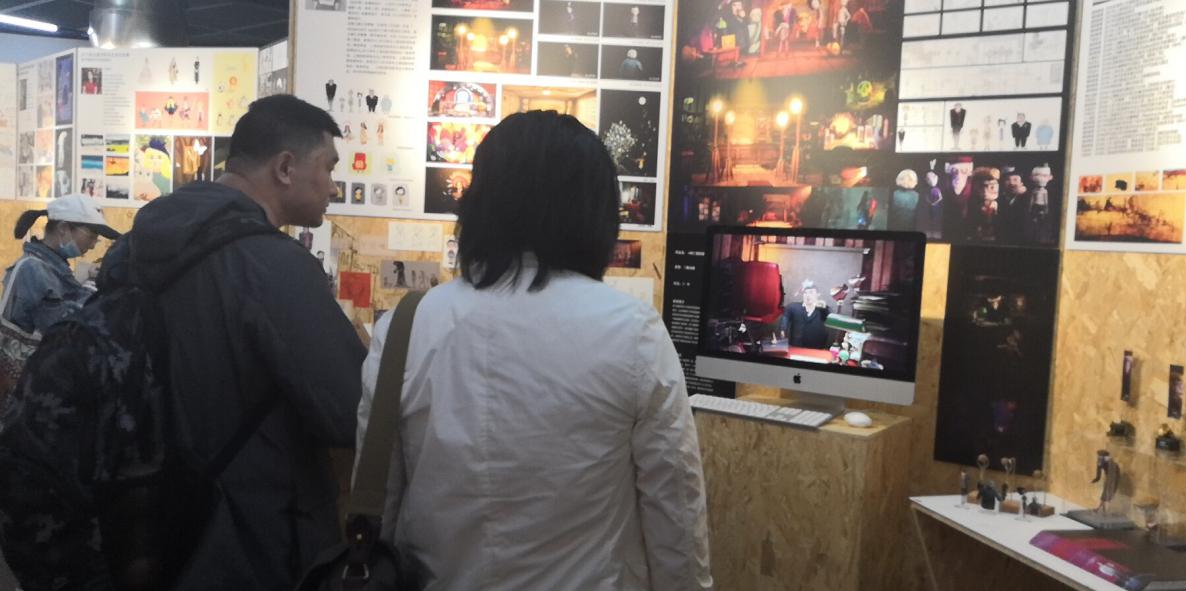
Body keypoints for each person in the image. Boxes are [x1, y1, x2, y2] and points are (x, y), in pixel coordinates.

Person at [358, 110, 712, 590]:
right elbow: (675, 517)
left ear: (478, 205)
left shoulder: (406, 326)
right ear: (596, 214)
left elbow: (380, 507)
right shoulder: (633, 332)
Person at [95, 94, 366, 588]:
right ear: (285, 168)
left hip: (143, 523)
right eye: (328, 167)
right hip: (250, 538)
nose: (333, 185)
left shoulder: (139, 243)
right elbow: (349, 409)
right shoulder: (273, 266)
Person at [2, 194, 120, 334]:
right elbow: (65, 326)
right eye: (91, 236)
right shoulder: (32, 270)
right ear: (63, 228)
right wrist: (93, 283)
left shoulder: (54, 267)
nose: (93, 245)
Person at [779, 279, 830, 349]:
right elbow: (785, 318)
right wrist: (783, 330)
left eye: (811, 292)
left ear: (818, 294)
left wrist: (824, 308)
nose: (808, 295)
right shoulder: (793, 307)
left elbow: (830, 319)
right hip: (796, 347)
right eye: (805, 293)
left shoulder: (823, 309)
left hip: (817, 349)